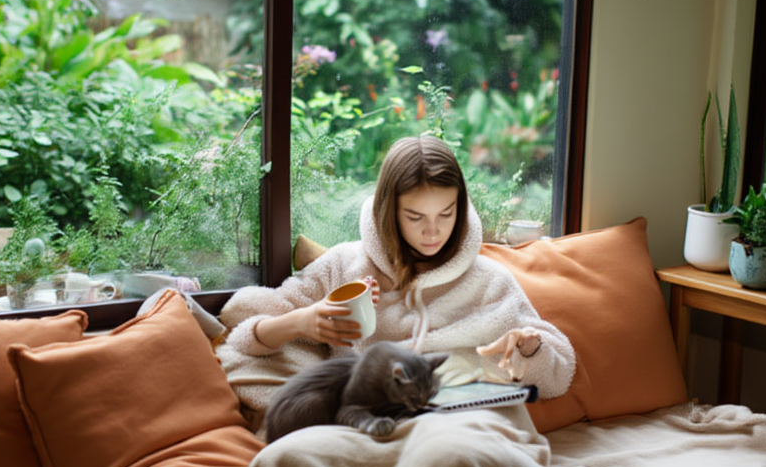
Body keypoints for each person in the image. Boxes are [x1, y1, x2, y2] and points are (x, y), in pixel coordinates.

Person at [217, 134, 576, 426]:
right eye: (415, 216)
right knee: (286, 461)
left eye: (446, 214)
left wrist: (530, 347)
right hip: (373, 424)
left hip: (464, 426)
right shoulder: (344, 266)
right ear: (389, 211)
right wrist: (303, 321)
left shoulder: (489, 281)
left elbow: (557, 377)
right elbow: (240, 330)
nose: (433, 231)